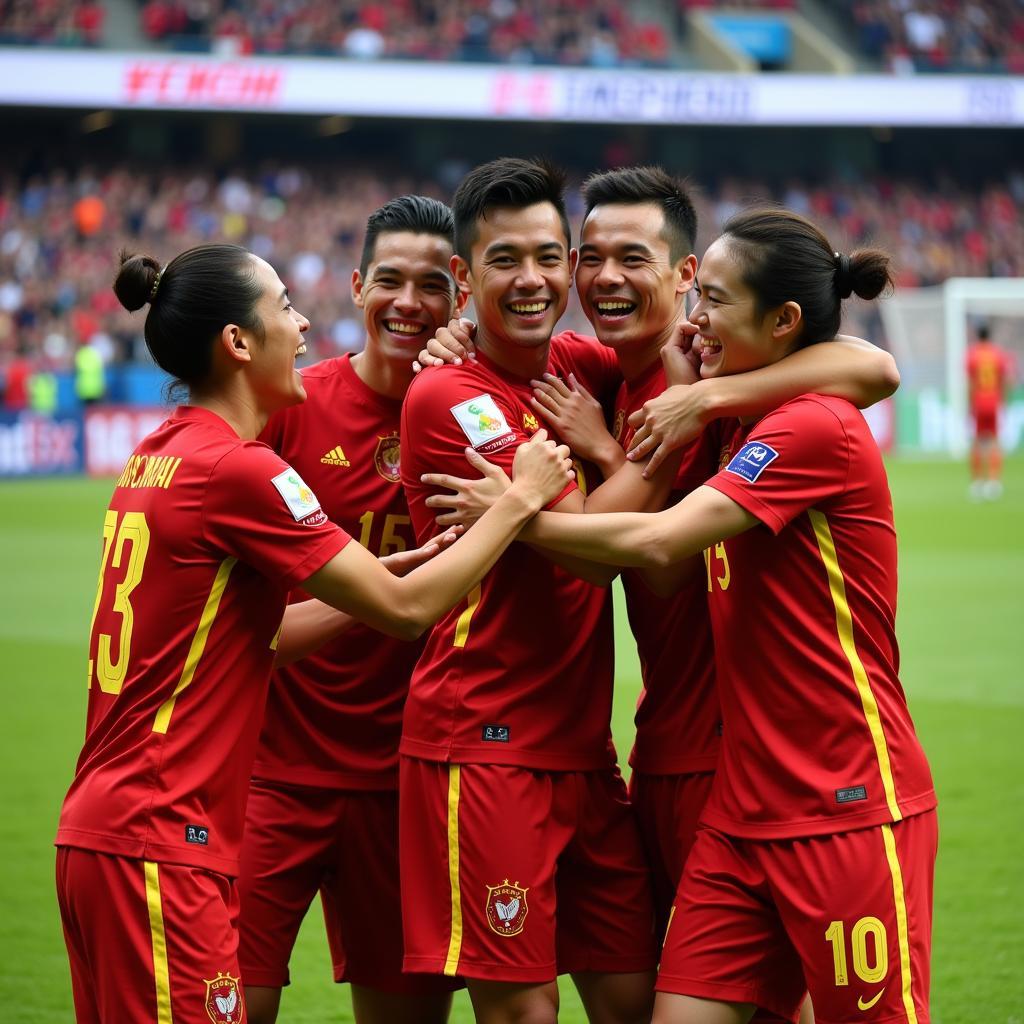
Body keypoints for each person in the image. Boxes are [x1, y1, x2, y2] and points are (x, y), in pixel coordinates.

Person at [419, 168, 898, 1024]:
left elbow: (873, 364)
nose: (603, 277)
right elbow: (655, 566)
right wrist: (464, 344)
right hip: (659, 754)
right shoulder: (600, 373)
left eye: (632, 258)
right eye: (590, 256)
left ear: (684, 279)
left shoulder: (721, 377)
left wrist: (693, 401)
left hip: (782, 765)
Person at [54, 243, 573, 1024]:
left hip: (107, 829)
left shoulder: (158, 456)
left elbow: (249, 637)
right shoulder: (244, 469)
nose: (301, 325)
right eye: (284, 307)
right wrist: (519, 499)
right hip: (161, 836)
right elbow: (406, 615)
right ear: (237, 342)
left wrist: (387, 568)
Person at [399, 157, 668, 1024]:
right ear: (463, 277)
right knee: (523, 1012)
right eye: (504, 260)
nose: (534, 281)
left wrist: (614, 435)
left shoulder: (580, 365)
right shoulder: (452, 395)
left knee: (635, 997)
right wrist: (621, 453)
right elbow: (592, 556)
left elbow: (674, 345)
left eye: (552, 257)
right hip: (486, 744)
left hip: (586, 753)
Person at [237, 196, 468, 1024]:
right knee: (229, 1004)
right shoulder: (289, 410)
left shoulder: (483, 418)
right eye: (391, 280)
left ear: (462, 295)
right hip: (269, 773)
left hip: (409, 783)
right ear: (356, 285)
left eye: (433, 284)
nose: (410, 301)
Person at [966, 323, 1013, 500]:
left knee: (977, 442)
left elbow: (970, 383)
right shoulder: (998, 355)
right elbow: (1005, 380)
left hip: (979, 401)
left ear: (978, 336)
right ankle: (994, 482)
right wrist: (1003, 402)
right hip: (994, 401)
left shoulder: (972, 355)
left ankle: (978, 483)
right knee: (994, 441)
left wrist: (970, 405)